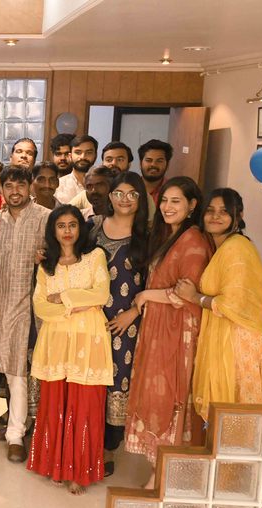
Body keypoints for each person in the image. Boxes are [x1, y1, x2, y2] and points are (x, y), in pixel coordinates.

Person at [124, 176, 213, 488]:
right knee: (155, 393)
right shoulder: (171, 236)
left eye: (176, 201)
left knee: (170, 393)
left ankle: (165, 471)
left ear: (192, 205)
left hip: (177, 330)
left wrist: (146, 295)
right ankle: (158, 466)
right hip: (159, 326)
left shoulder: (194, 241)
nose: (167, 207)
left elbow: (184, 293)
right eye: (164, 200)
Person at [28, 205, 112, 495]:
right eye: (61, 225)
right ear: (53, 231)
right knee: (56, 404)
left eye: (72, 225)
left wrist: (62, 297)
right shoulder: (46, 265)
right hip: (56, 342)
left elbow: (102, 294)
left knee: (84, 405)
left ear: (81, 228)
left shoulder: (94, 257)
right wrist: (76, 305)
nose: (67, 231)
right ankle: (56, 467)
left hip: (89, 341)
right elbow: (40, 306)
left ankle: (79, 473)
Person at [174, 188, 262, 418]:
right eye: (210, 210)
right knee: (228, 416)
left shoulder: (237, 248)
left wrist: (194, 297)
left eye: (223, 211)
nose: (215, 216)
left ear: (238, 216)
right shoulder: (221, 248)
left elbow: (233, 303)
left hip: (241, 342)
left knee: (239, 414)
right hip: (230, 335)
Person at [0, 166, 50, 462]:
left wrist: (45, 260)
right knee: (7, 368)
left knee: (18, 372)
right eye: (9, 186)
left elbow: (60, 259)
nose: (15, 191)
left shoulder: (45, 217)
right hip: (0, 306)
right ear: (2, 189)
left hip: (31, 309)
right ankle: (16, 423)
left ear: (30, 187)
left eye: (20, 185)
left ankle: (16, 435)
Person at [87, 171, 150, 477]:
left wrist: (133, 313)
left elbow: (154, 282)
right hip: (89, 319)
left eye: (132, 194)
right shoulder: (93, 227)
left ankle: (108, 448)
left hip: (126, 324)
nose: (125, 200)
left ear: (141, 199)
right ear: (110, 196)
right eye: (119, 193)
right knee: (89, 378)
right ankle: (84, 440)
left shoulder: (148, 236)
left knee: (117, 380)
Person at [55, 135, 98, 204]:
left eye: (89, 152)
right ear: (70, 156)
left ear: (95, 156)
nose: (83, 157)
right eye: (78, 152)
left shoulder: (103, 185)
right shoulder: (58, 186)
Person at [138, 139, 173, 218]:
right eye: (148, 160)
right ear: (140, 163)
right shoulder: (130, 187)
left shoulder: (173, 191)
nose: (153, 164)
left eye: (159, 161)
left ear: (167, 165)